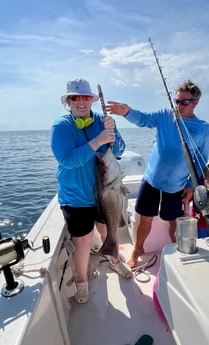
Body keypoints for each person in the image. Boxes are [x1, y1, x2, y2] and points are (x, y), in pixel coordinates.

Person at [105, 80, 209, 268]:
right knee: (143, 216)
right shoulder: (165, 115)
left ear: (196, 102)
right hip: (152, 179)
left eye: (183, 102)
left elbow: (201, 160)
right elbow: (144, 119)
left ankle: (177, 252)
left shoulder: (203, 128)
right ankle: (137, 250)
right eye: (176, 101)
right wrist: (127, 112)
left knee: (173, 220)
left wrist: (191, 185)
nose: (178, 106)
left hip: (177, 184)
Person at [51, 78, 132, 304]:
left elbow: (120, 150)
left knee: (108, 231)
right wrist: (98, 140)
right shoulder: (61, 127)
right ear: (68, 101)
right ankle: (81, 280)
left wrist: (113, 134)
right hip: (76, 196)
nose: (80, 102)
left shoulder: (101, 121)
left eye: (85, 97)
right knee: (84, 240)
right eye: (75, 97)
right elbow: (66, 160)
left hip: (104, 192)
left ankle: (115, 260)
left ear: (91, 100)